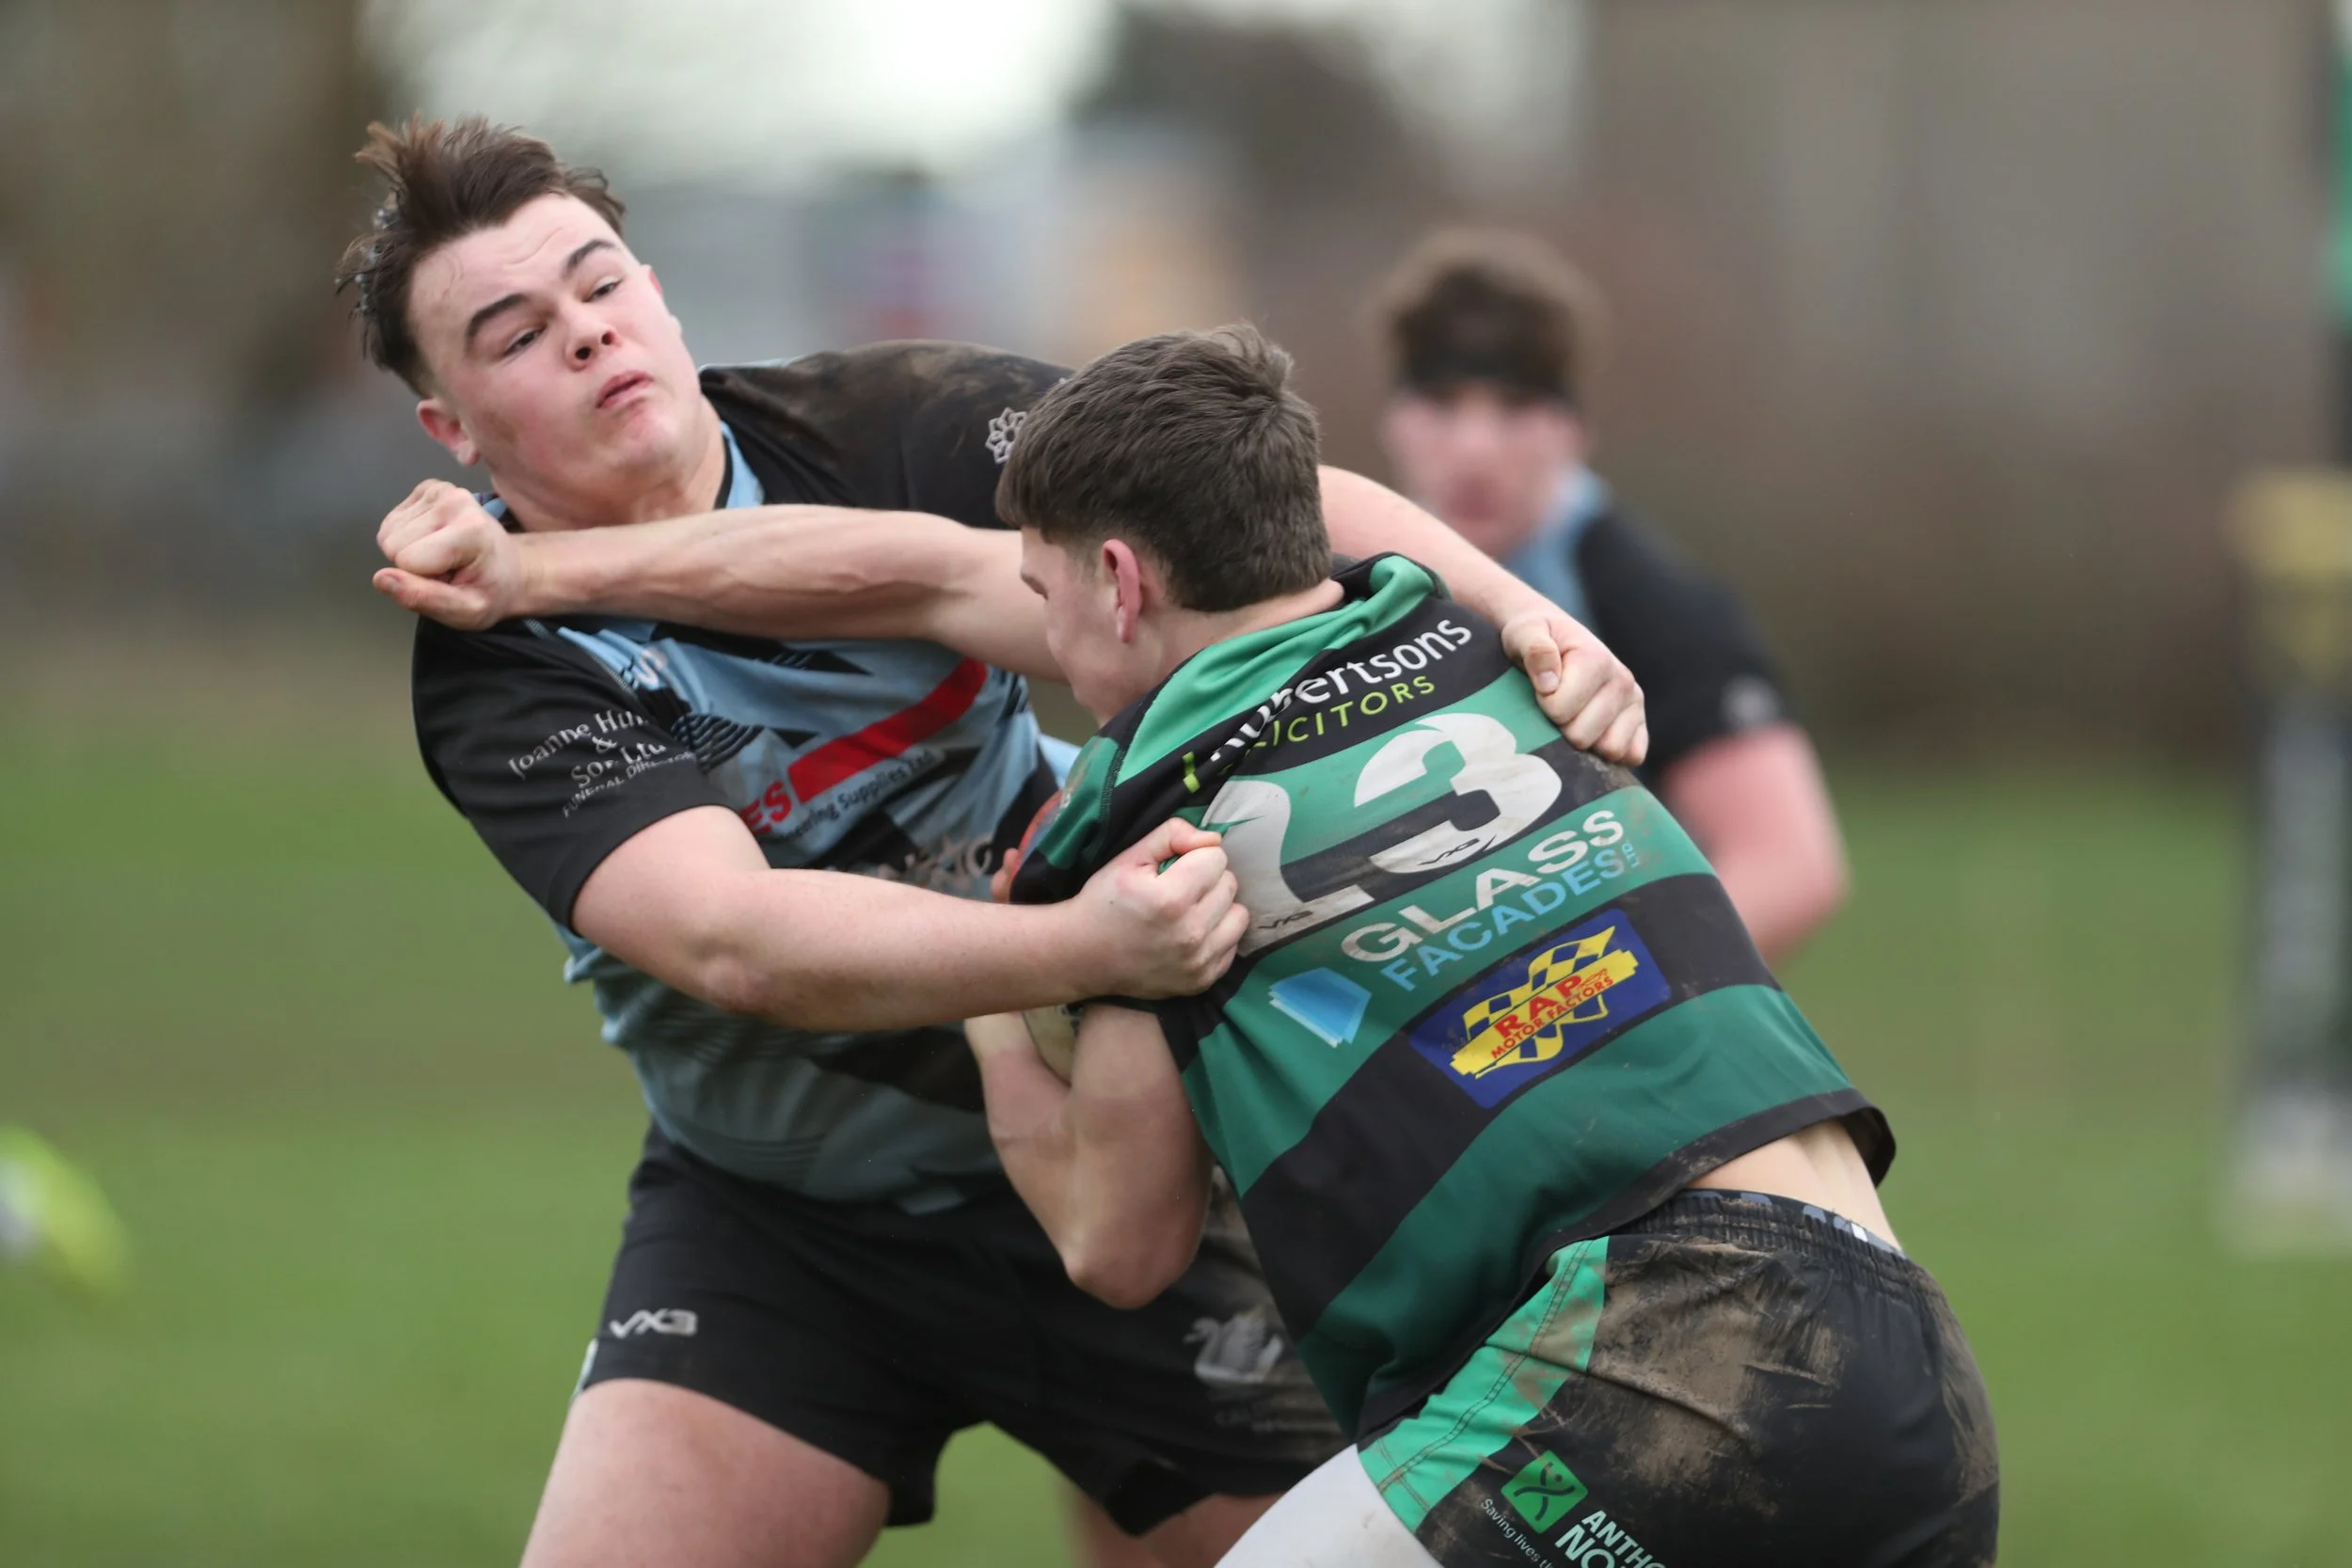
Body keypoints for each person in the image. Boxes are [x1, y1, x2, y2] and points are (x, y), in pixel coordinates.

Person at [344, 116, 1647, 1568]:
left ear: (657, 291)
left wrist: (1520, 614)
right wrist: (1082, 945)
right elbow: (734, 938)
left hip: (1122, 1137)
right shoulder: (494, 657)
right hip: (788, 1222)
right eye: (520, 334)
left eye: (599, 285)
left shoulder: (885, 422)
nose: (586, 332)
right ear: (451, 430)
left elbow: (1266, 512)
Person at [969, 325, 1998, 1567]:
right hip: (1917, 1380)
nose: (1053, 651)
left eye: (1044, 599)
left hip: (1665, 1350)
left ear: (1119, 581)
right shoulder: (1499, 646)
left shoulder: (1146, 811)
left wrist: (997, 976)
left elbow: (1116, 1239)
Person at [1374, 230, 1846, 966]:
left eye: (1516, 407)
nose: (1475, 447)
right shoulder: (1347, 587)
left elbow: (1790, 869)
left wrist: (1600, 995)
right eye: (1441, 402)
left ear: (1574, 429)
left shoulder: (1657, 603)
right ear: (1394, 420)